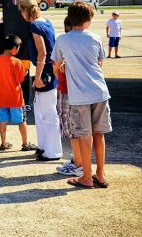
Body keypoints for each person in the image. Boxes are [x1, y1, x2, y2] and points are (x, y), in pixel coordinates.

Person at [52, 0, 111, 189]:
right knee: (99, 133)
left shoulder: (63, 39)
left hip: (79, 95)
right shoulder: (95, 38)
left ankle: (86, 176)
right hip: (100, 91)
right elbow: (100, 62)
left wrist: (64, 68)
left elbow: (56, 67)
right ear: (88, 19)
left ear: (70, 18)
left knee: (84, 135)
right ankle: (100, 175)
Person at [19, 0, 62, 162]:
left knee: (48, 113)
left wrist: (37, 78)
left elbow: (43, 52)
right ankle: (44, 146)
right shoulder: (45, 22)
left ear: (23, 10)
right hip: (50, 70)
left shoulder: (34, 26)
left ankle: (53, 152)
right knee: (41, 111)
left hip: (45, 72)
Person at [0, 34, 33, 151]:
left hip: (0, 97)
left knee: (2, 120)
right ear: (14, 48)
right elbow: (20, 79)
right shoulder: (16, 62)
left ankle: (3, 143)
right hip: (15, 98)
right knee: (21, 120)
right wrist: (24, 73)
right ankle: (25, 143)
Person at [54, 16, 84, 178]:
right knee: (82, 128)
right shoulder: (87, 41)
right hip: (82, 91)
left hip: (66, 91)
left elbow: (56, 69)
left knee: (71, 129)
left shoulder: (63, 43)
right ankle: (80, 162)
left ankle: (79, 164)